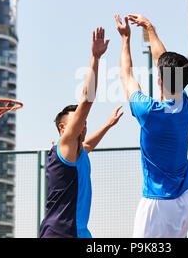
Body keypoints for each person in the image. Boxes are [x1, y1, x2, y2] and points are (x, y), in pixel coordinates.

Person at [115, 14, 188, 238]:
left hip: (159, 203)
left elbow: (126, 75)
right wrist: (150, 29)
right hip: (185, 200)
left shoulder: (150, 112)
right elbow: (165, 63)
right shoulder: (184, 104)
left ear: (159, 80)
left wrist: (125, 40)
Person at [40, 27, 123, 238]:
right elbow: (87, 99)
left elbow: (88, 145)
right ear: (63, 129)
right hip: (61, 233)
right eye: (78, 122)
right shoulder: (65, 145)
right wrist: (95, 58)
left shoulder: (77, 152)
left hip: (78, 232)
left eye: (84, 123)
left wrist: (107, 125)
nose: (83, 125)